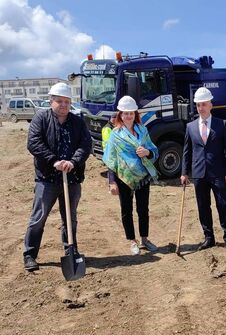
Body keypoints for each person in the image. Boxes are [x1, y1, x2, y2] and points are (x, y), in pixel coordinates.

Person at [23, 82, 92, 271]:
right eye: (59, 101)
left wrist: (73, 162)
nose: (63, 105)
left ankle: (71, 250)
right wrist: (54, 161)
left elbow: (86, 145)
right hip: (47, 178)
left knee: (70, 218)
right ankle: (30, 254)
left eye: (67, 102)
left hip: (72, 178)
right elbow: (34, 143)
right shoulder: (41, 118)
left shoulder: (77, 121)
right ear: (51, 101)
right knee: (39, 217)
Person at [181, 87, 226, 256]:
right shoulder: (190, 127)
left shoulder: (222, 124)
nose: (201, 108)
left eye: (204, 104)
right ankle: (208, 237)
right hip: (199, 174)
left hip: (218, 173)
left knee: (223, 205)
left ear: (210, 105)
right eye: (198, 105)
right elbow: (186, 152)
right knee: (203, 206)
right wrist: (184, 173)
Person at [102, 96, 159, 255]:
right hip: (123, 177)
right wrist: (112, 182)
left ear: (135, 114)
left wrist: (147, 152)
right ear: (120, 114)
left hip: (142, 177)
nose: (128, 116)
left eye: (131, 113)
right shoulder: (115, 134)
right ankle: (132, 241)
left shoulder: (143, 130)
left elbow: (153, 150)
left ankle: (144, 239)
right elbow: (111, 159)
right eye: (125, 113)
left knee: (143, 209)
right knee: (126, 210)